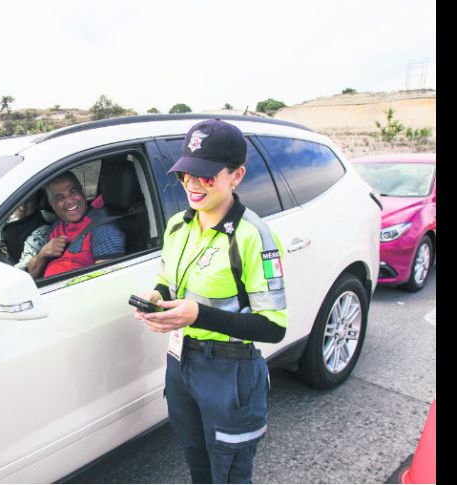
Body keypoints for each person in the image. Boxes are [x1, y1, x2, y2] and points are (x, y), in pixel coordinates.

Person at [133, 119, 288, 484]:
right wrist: (158, 296)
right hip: (181, 363)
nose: (192, 184)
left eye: (206, 176)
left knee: (229, 474)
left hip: (229, 372)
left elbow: (273, 327)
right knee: (199, 467)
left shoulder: (253, 236)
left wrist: (197, 315)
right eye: (185, 173)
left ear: (236, 176)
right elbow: (169, 281)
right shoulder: (178, 225)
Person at [28, 171, 125, 279]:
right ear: (52, 204)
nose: (70, 201)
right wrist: (42, 255)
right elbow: (32, 275)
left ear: (82, 192)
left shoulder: (103, 228)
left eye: (73, 192)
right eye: (60, 198)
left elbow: (109, 279)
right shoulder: (56, 227)